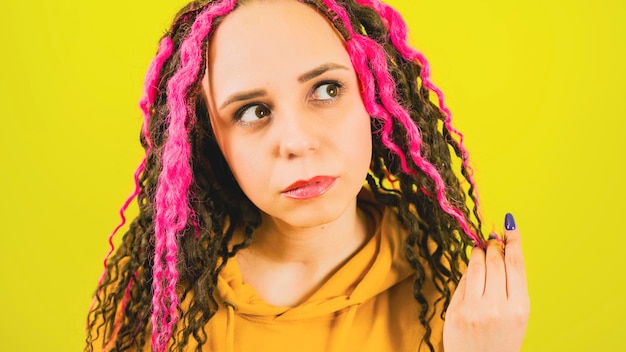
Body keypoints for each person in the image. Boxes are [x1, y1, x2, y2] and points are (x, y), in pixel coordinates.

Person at [85, 0, 530, 351]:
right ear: (208, 142)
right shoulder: (162, 299)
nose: (296, 141)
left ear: (373, 97)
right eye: (252, 112)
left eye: (326, 89)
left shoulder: (460, 292)